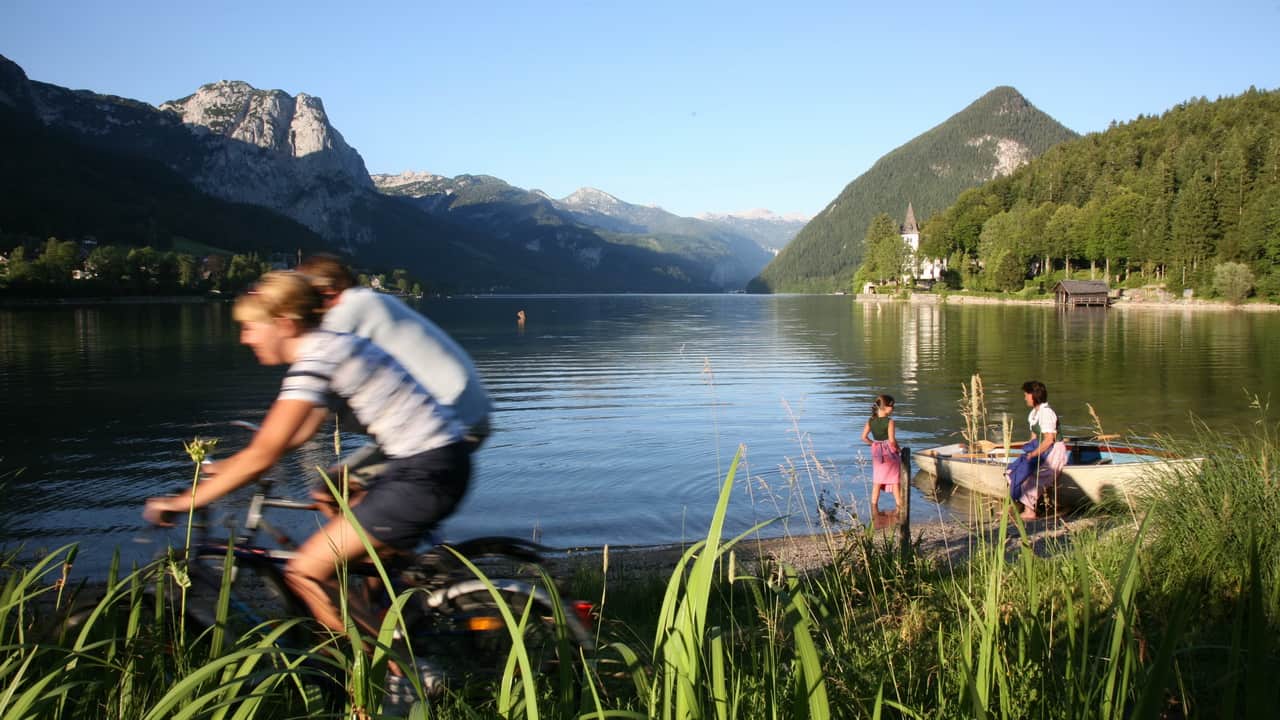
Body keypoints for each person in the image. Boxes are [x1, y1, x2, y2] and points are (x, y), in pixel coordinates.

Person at [143, 271, 470, 635]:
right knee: (345, 538)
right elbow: (295, 434)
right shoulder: (330, 348)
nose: (244, 337)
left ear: (284, 323)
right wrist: (228, 467)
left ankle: (401, 677)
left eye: (251, 327)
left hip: (423, 473)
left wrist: (182, 503)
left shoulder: (318, 359)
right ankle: (387, 612)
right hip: (432, 462)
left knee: (304, 572)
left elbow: (264, 454)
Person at [295, 255, 492, 490]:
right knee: (343, 485)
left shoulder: (348, 310)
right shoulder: (371, 300)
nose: (303, 309)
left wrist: (268, 448)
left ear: (327, 290)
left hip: (451, 419)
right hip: (460, 413)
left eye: (304, 299)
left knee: (341, 487)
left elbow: (313, 383)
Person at [1005, 380, 1069, 520]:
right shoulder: (1034, 413)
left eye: (1026, 394)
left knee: (1033, 478)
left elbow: (1049, 440)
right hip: (1040, 448)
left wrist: (1033, 454)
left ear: (1033, 395)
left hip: (1053, 451)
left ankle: (1030, 511)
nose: (1025, 398)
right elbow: (1034, 437)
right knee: (1015, 470)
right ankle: (1018, 503)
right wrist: (1028, 450)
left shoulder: (1046, 413)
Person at [861, 394, 901, 512]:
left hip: (877, 452)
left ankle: (874, 510)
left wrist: (874, 443)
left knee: (877, 482)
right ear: (885, 407)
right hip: (889, 453)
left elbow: (863, 437)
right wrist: (899, 449)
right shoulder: (889, 422)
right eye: (891, 406)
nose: (893, 408)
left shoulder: (871, 420)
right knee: (894, 481)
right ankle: (900, 507)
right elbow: (892, 441)